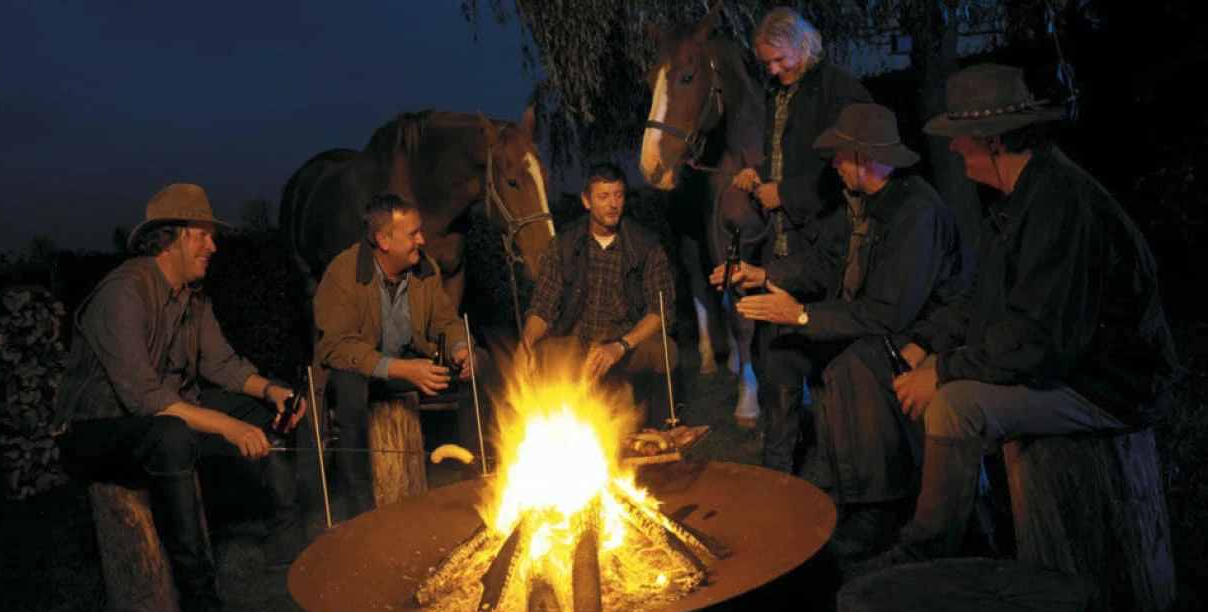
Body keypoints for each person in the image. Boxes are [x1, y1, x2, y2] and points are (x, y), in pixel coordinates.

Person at [873, 63, 1180, 565]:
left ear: (991, 141)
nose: (952, 148)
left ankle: (925, 556)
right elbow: (983, 301)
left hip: (1108, 383)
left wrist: (946, 372)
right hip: (1068, 363)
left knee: (955, 405)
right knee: (941, 388)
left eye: (960, 137)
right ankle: (980, 535)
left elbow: (1040, 341)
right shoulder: (1019, 200)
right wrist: (927, 345)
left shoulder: (1061, 204)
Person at [52, 183, 306, 612]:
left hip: (161, 414)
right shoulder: (123, 293)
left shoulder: (194, 302)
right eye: (202, 236)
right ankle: (199, 601)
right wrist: (229, 427)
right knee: (171, 435)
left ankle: (286, 534)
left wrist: (274, 392)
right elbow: (145, 397)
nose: (213, 246)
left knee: (260, 405)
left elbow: (223, 366)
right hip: (94, 433)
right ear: (170, 239)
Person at [715, 103, 970, 558]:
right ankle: (818, 483)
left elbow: (889, 312)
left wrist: (804, 316)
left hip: (925, 331)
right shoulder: (859, 204)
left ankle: (879, 506)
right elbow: (826, 263)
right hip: (879, 320)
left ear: (867, 159)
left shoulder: (916, 213)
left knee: (852, 361)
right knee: (790, 350)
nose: (832, 164)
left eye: (840, 155)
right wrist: (762, 274)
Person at [728, 6, 874, 481]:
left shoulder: (840, 91)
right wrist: (762, 176)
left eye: (778, 60)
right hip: (784, 246)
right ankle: (777, 477)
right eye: (766, 63)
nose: (772, 70)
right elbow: (787, 160)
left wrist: (783, 192)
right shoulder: (779, 92)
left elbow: (849, 171)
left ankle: (839, 475)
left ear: (802, 44)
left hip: (828, 248)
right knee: (777, 366)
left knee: (827, 371)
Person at [313, 192, 493, 515]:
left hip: (412, 363)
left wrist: (461, 348)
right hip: (367, 371)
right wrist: (401, 369)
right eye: (412, 234)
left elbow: (445, 320)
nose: (421, 240)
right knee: (349, 386)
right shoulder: (344, 272)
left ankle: (475, 477)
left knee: (482, 362)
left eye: (419, 231)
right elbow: (336, 346)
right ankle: (362, 508)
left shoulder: (426, 270)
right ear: (383, 240)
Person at [518, 163, 678, 429]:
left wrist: (620, 346)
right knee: (539, 354)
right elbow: (542, 308)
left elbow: (660, 312)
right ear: (586, 200)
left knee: (665, 351)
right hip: (577, 343)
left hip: (626, 343)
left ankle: (663, 433)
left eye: (618, 195)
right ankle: (553, 437)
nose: (613, 204)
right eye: (604, 197)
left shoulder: (645, 246)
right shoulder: (564, 246)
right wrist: (525, 345)